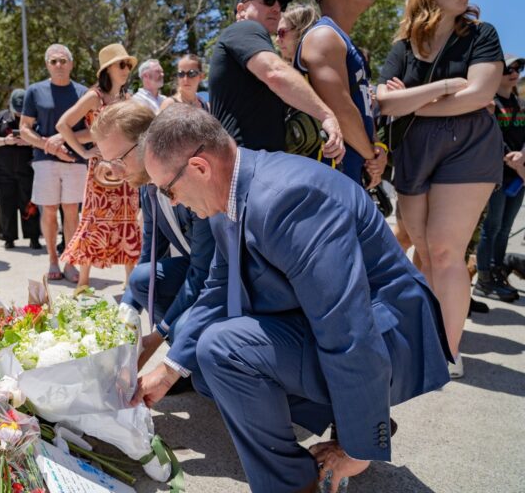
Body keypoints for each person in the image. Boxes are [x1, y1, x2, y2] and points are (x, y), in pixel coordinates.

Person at [132, 104, 451, 493]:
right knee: (205, 366)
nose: (172, 202)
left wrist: (359, 448)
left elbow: (347, 327)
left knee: (224, 348)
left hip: (385, 338)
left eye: (168, 189)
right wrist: (168, 371)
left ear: (199, 167)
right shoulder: (226, 192)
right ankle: (315, 451)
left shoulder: (289, 198)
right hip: (339, 327)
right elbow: (218, 288)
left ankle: (294, 483)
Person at [376, 0, 504, 378]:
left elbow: (479, 95)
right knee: (426, 252)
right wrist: (446, 88)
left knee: (446, 250)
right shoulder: (403, 47)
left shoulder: (481, 35)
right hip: (414, 151)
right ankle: (427, 338)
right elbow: (383, 101)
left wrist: (412, 102)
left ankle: (448, 351)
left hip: (469, 146)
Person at [93, 101, 215, 376]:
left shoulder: (188, 183)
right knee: (140, 279)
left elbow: (203, 273)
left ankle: (188, 366)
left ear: (147, 143)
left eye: (119, 160)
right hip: (196, 268)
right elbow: (150, 252)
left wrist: (158, 335)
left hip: (225, 278)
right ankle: (183, 362)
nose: (115, 172)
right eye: (108, 163)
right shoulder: (147, 189)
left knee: (179, 328)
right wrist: (125, 310)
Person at [208, 0, 344, 160]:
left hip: (250, 161)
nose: (277, 8)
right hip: (247, 161)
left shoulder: (252, 49)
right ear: (241, 10)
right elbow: (275, 73)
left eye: (282, 4)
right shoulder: (245, 27)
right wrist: (326, 115)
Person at [56, 43, 142, 287]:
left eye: (128, 65)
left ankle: (129, 283)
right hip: (101, 171)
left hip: (125, 169)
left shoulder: (128, 98)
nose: (126, 70)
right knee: (94, 222)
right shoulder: (95, 96)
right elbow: (63, 124)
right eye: (121, 65)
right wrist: (83, 152)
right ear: (108, 69)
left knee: (128, 221)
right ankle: (83, 283)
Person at [296, 0, 387, 187]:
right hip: (328, 179)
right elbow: (341, 112)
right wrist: (371, 157)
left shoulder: (342, 40)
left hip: (348, 175)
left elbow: (363, 107)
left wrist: (377, 147)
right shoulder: (323, 36)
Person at [20, 44, 90, 282]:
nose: (59, 65)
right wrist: (50, 146)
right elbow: (24, 129)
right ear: (47, 65)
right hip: (45, 161)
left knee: (71, 212)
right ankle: (52, 260)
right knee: (49, 210)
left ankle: (70, 263)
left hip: (75, 161)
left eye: (63, 60)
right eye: (53, 61)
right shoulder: (34, 91)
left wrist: (63, 139)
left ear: (71, 64)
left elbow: (92, 131)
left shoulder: (83, 93)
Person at [474, 54, 525, 302]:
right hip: (497, 174)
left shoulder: (520, 103)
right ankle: (483, 279)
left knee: (505, 229)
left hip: (519, 176)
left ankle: (497, 273)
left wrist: (522, 159)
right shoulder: (489, 102)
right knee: (491, 227)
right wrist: (512, 160)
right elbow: (489, 135)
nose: (514, 73)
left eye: (519, 68)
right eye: (509, 69)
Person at [0, 89, 41, 250]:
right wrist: (5, 140)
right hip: (4, 169)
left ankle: (33, 237)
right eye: (16, 110)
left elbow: (43, 139)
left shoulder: (34, 117)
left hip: (27, 168)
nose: (18, 114)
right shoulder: (1, 117)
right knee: (6, 204)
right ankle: (8, 238)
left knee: (29, 204)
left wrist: (30, 142)